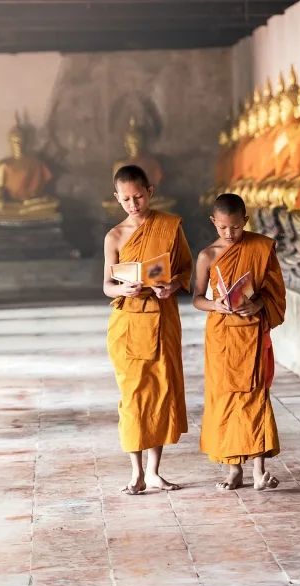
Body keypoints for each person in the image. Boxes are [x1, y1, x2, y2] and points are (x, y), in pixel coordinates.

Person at [104, 165, 192, 495]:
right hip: (129, 325)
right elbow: (107, 286)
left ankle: (154, 472)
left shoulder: (169, 226)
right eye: (125, 199)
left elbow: (185, 269)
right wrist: (123, 290)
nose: (133, 204)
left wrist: (172, 285)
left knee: (160, 393)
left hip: (163, 318)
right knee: (133, 398)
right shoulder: (114, 236)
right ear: (117, 198)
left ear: (150, 192)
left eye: (138, 196)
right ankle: (136, 473)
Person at [192, 193, 286, 491]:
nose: (229, 234)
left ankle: (259, 471)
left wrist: (257, 305)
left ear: (245, 220)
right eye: (222, 228)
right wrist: (215, 305)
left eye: (235, 227)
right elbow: (196, 299)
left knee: (254, 396)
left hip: (251, 332)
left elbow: (275, 293)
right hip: (221, 335)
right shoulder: (207, 255)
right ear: (213, 222)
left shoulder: (261, 247)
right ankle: (234, 469)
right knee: (224, 400)